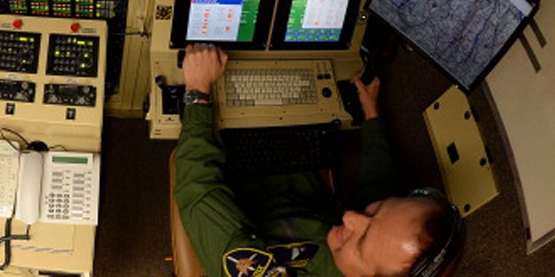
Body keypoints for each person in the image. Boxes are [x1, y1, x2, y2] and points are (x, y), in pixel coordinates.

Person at [174, 44, 465, 277]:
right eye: (375, 212)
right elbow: (379, 190)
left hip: (242, 204)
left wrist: (198, 92)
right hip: (299, 187)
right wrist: (372, 118)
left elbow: (198, 192)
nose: (350, 216)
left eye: (360, 241)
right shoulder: (372, 244)